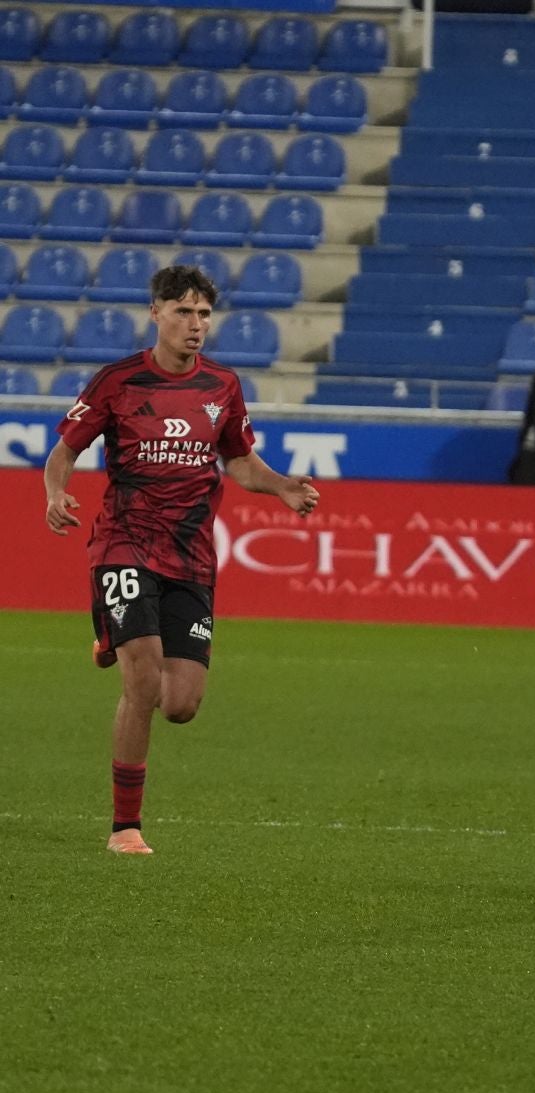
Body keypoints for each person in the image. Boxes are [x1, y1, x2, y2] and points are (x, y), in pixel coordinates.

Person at [41, 265, 320, 856]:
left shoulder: (222, 385)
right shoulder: (118, 381)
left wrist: (282, 487)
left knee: (181, 705)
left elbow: (241, 462)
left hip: (191, 554)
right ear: (156, 314)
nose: (195, 325)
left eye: (203, 315)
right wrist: (54, 492)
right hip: (124, 541)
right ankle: (125, 828)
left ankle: (111, 632)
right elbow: (64, 450)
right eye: (183, 313)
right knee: (142, 681)